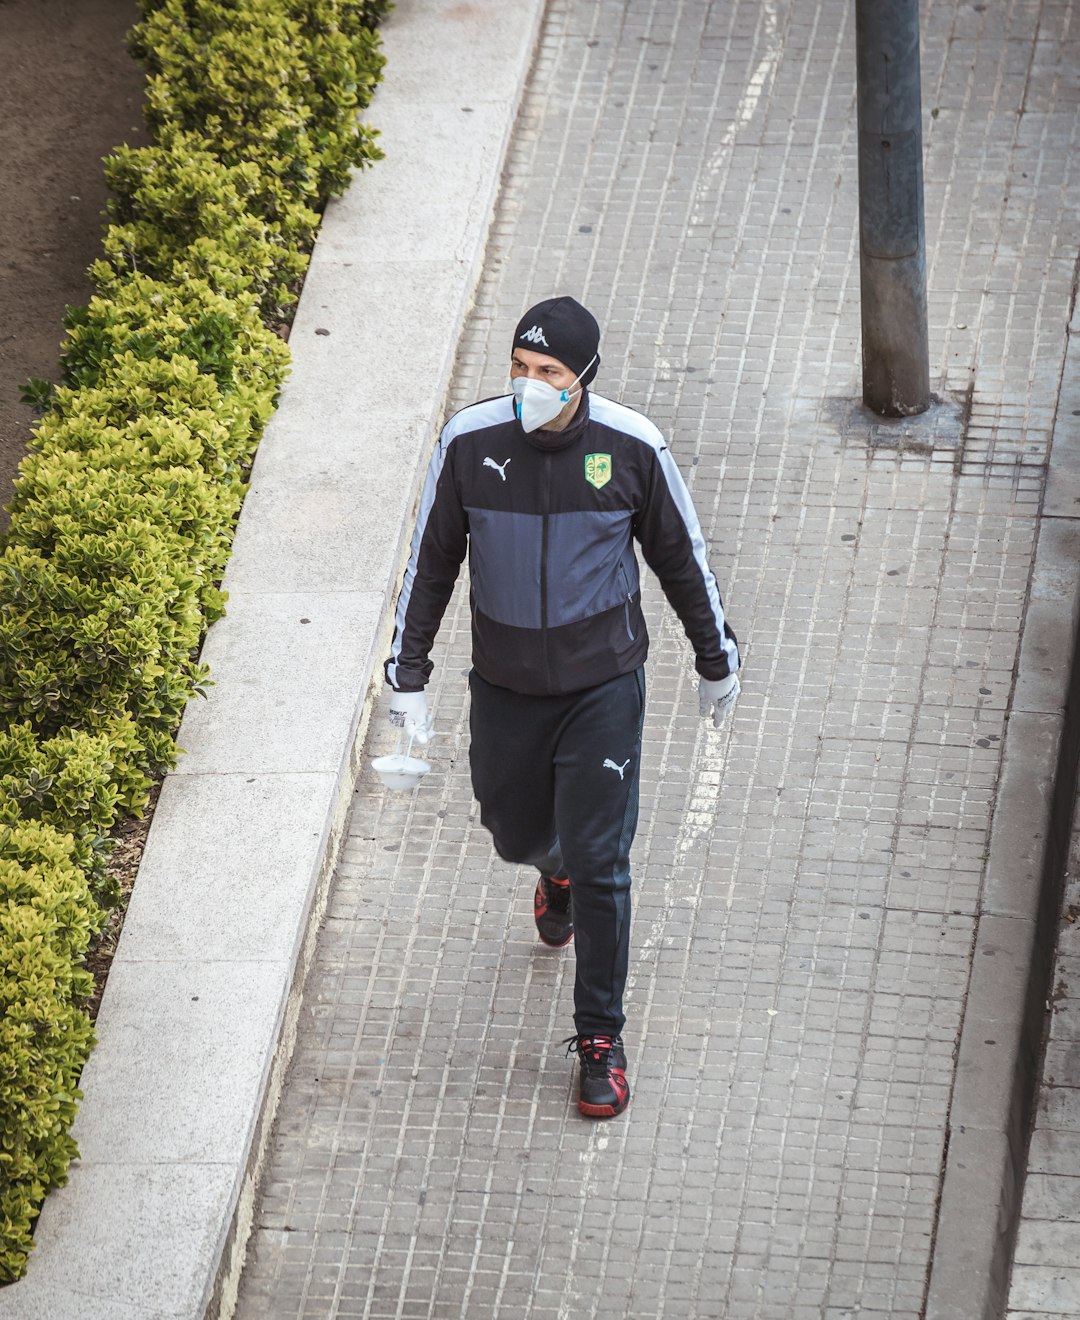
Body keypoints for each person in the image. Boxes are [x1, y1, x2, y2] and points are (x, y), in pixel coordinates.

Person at [384, 296, 740, 1119]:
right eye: (518, 367)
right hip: (505, 686)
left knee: (607, 858)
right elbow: (429, 566)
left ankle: (600, 1041)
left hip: (602, 687)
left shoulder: (632, 449)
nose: (528, 385)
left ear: (582, 378)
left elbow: (683, 558)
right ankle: (555, 873)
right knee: (513, 829)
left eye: (546, 373)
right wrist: (408, 677)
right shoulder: (469, 444)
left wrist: (715, 657)